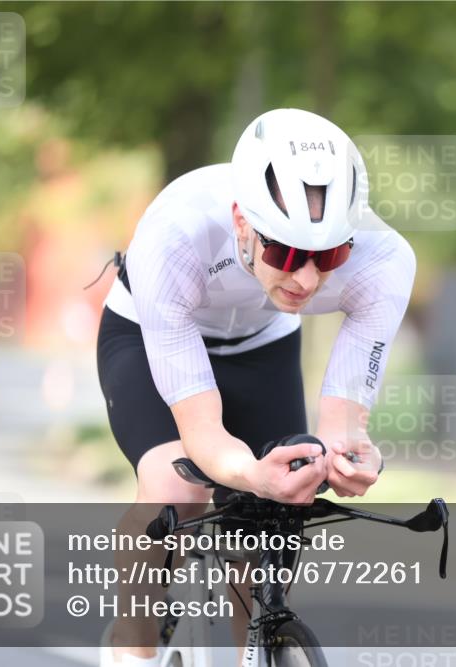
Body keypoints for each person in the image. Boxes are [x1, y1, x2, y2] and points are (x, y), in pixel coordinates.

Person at [95, 108, 416, 666]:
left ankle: (261, 647)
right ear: (242, 221)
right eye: (286, 253)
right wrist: (248, 473)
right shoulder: (175, 235)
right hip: (150, 338)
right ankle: (133, 646)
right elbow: (204, 436)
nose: (307, 279)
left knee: (269, 515)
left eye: (328, 255)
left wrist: (348, 451)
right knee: (179, 492)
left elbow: (342, 425)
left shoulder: (384, 260)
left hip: (260, 347)